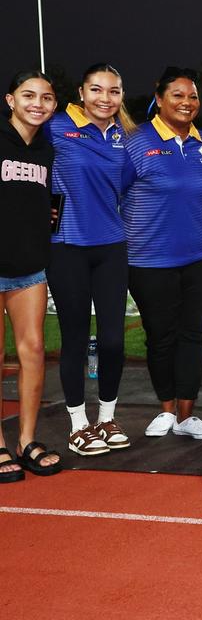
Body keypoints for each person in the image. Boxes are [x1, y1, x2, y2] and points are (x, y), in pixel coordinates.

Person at [123, 67, 202, 440]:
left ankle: (187, 414)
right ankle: (166, 409)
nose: (187, 102)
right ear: (160, 98)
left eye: (193, 96)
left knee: (193, 335)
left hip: (201, 255)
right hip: (149, 258)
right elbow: (110, 192)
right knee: (160, 336)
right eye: (178, 95)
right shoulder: (134, 141)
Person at [45, 64, 135, 456]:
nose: (105, 98)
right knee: (76, 338)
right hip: (66, 247)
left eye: (113, 91)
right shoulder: (55, 126)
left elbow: (127, 184)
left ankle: (107, 418)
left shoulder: (124, 137)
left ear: (121, 96)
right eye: (96, 90)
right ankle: (78, 424)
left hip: (111, 246)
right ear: (81, 93)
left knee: (114, 341)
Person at [0, 70, 61, 480]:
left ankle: (25, 439)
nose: (38, 103)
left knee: (33, 351)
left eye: (47, 97)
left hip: (29, 267)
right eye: (29, 95)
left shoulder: (46, 149)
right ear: (10, 100)